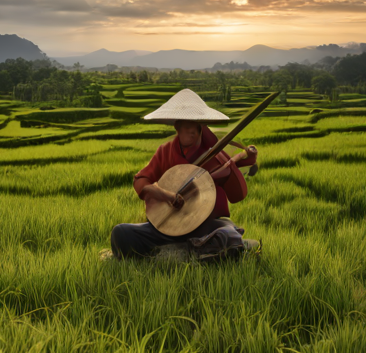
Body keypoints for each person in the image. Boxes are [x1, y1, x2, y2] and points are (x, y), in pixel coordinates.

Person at [110, 90, 258, 259]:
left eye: (196, 127)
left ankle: (187, 249)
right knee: (121, 233)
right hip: (169, 225)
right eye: (187, 126)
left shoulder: (214, 155)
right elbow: (141, 181)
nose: (192, 132)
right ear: (177, 127)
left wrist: (239, 163)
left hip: (205, 226)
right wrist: (163, 194)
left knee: (228, 235)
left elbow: (237, 192)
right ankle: (196, 250)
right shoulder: (165, 151)